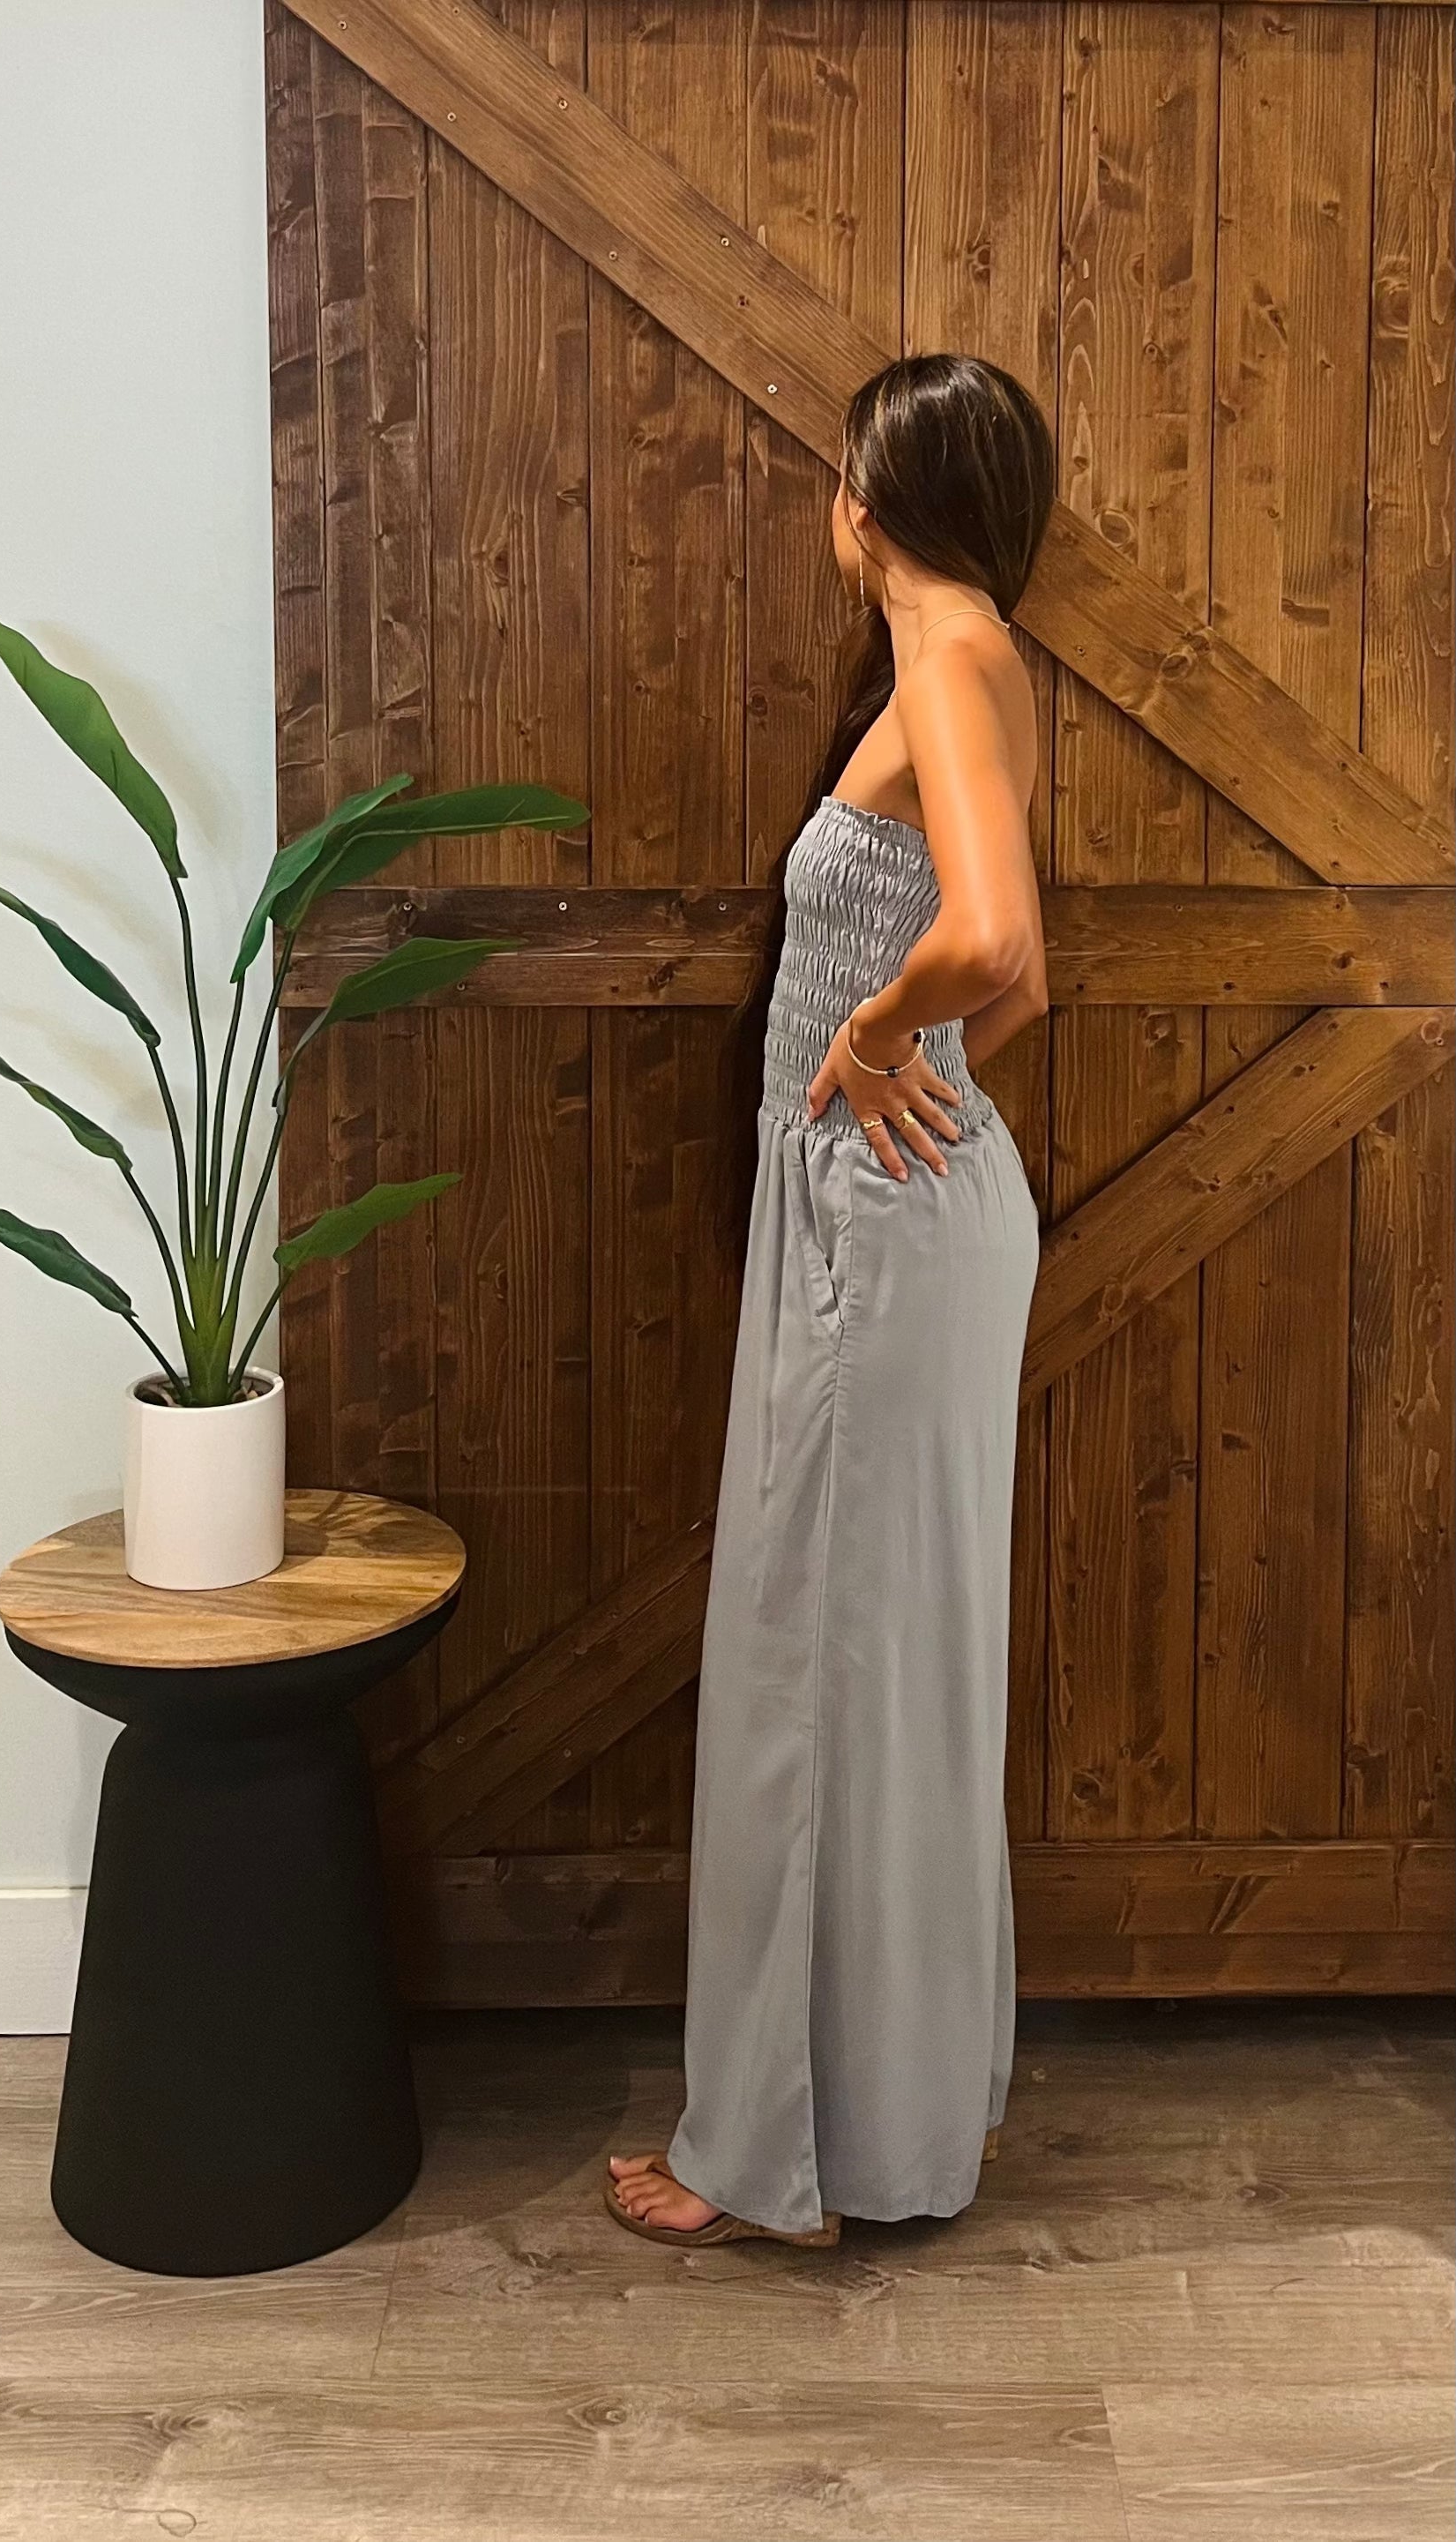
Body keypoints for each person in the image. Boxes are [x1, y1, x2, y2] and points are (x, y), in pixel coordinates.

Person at [605, 352, 1055, 2247]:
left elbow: (994, 942)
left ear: (870, 500)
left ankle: (770, 2157)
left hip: (877, 1226)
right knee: (883, 1667)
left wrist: (870, 1040)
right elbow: (1022, 991)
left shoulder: (943, 656)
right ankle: (886, 2119)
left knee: (815, 1666)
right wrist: (915, 1059)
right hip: (903, 1209)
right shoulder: (982, 659)